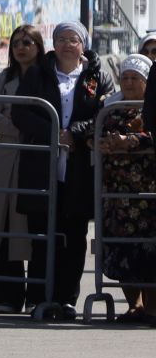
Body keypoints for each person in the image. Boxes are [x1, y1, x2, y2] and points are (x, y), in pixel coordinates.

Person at [0, 25, 51, 313]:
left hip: (36, 158)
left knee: (32, 226)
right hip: (7, 155)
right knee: (2, 225)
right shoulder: (3, 77)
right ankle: (6, 296)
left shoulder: (48, 79)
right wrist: (20, 126)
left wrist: (26, 127)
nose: (21, 47)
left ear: (38, 45)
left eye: (27, 42)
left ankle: (36, 295)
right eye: (16, 43)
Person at [44, 20, 111, 312]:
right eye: (61, 39)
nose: (67, 44)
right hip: (45, 162)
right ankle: (43, 296)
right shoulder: (41, 73)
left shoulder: (98, 76)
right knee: (45, 230)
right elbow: (28, 109)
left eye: (74, 39)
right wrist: (53, 131)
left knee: (74, 233)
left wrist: (75, 132)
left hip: (80, 164)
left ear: (83, 44)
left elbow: (103, 113)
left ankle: (68, 298)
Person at [100, 56, 155, 320]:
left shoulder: (150, 109)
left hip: (147, 190)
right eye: (125, 77)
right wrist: (100, 142)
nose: (130, 82)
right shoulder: (111, 106)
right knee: (122, 249)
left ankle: (152, 306)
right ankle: (134, 305)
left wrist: (130, 142)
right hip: (117, 191)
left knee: (148, 250)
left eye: (136, 78)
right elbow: (93, 129)